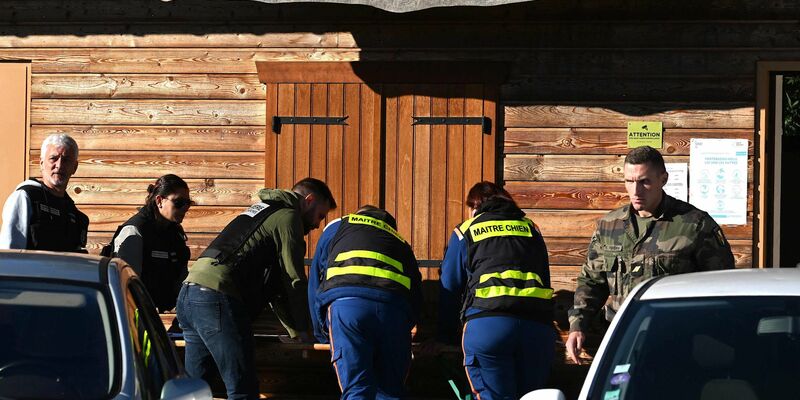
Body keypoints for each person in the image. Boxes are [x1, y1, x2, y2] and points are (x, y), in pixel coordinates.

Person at [566, 146, 736, 364]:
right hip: (623, 340)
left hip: (676, 341)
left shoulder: (694, 225)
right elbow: (592, 281)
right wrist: (578, 325)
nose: (636, 190)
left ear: (663, 179)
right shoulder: (609, 226)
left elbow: (722, 285)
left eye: (644, 181)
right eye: (629, 181)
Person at [176, 177, 335, 400]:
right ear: (309, 200)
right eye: (320, 215)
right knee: (243, 389)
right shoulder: (288, 216)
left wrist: (295, 330)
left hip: (189, 294)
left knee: (194, 390)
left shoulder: (262, 210)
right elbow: (293, 280)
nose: (317, 225)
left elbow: (275, 284)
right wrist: (303, 329)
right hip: (216, 297)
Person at [437, 182, 555, 400]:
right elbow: (544, 278)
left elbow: (450, 286)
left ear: (475, 206)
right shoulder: (531, 228)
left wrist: (445, 336)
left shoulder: (465, 230)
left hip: (488, 326)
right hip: (537, 328)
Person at [308, 206, 422, 399]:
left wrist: (321, 334)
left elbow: (315, 284)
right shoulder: (399, 240)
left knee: (357, 389)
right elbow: (416, 292)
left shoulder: (338, 226)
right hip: (394, 311)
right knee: (391, 390)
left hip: (347, 307)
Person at [107, 174, 191, 313]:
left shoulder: (175, 233)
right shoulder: (134, 232)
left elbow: (180, 275)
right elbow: (127, 286)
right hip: (138, 314)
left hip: (166, 313)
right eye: (179, 202)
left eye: (188, 203)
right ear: (159, 201)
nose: (185, 208)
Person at [0, 133, 88, 252]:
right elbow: (9, 253)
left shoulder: (74, 214)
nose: (59, 165)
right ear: (41, 163)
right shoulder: (25, 198)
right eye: (53, 158)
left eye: (66, 160)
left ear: (75, 167)